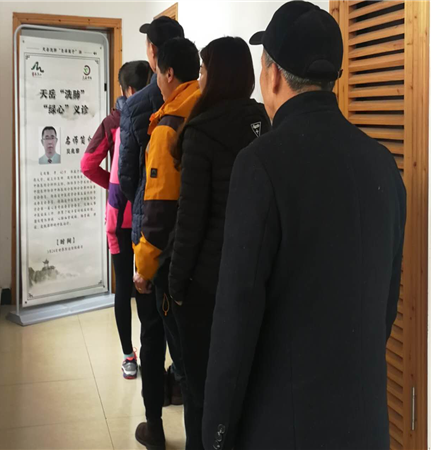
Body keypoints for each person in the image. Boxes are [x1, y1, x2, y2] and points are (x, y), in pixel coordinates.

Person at [202, 2, 407, 450]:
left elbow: (236, 320)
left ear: (273, 75)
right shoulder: (382, 163)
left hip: (284, 429)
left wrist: (216, 433)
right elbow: (385, 307)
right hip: (368, 427)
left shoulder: (260, 163)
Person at [167, 37, 270, 449]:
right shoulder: (266, 123)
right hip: (256, 280)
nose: (200, 79)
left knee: (201, 395)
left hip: (207, 287)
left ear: (218, 76)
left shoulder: (201, 131)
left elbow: (189, 222)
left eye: (204, 70)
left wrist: (175, 285)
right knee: (243, 390)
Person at [132, 37, 201, 450]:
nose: (156, 78)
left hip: (173, 264)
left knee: (177, 357)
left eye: (158, 71)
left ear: (169, 73)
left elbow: (157, 208)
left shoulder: (168, 125)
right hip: (209, 260)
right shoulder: (209, 108)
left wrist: (143, 266)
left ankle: (160, 426)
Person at [81, 61, 153, 380]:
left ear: (125, 89)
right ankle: (154, 354)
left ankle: (128, 357)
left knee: (123, 285)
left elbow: (87, 164)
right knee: (149, 283)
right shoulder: (158, 116)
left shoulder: (113, 121)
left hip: (119, 216)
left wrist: (116, 184)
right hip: (152, 214)